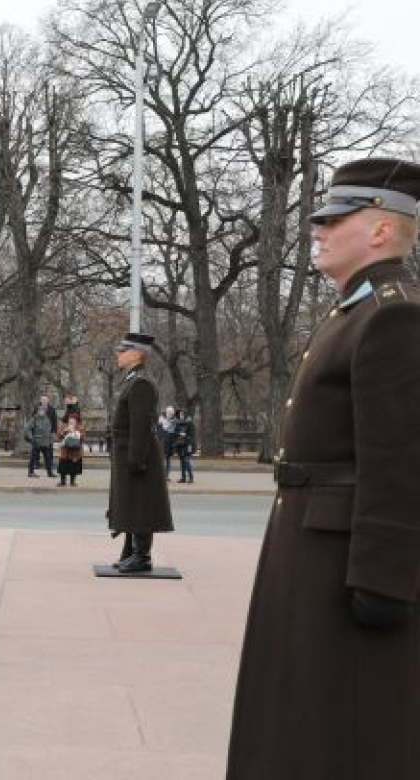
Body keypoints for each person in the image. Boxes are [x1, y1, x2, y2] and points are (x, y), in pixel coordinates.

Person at [227, 158, 420, 778]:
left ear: (381, 231)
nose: (319, 230)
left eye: (336, 219)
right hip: (311, 542)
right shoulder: (354, 311)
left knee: (340, 725)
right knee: (298, 714)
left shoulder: (393, 314)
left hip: (342, 560)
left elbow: (400, 460)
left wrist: (384, 581)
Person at [105, 332, 174, 573]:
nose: (118, 354)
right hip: (129, 453)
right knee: (131, 503)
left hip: (138, 455)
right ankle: (131, 552)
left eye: (123, 350)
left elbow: (141, 425)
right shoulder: (133, 379)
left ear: (137, 353)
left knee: (140, 504)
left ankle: (142, 556)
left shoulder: (141, 382)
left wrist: (136, 460)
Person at [25, 406, 54, 478]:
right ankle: (31, 472)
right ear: (38, 411)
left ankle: (50, 473)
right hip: (36, 441)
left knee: (48, 458)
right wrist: (31, 438)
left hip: (46, 442)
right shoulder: (34, 419)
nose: (41, 412)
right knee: (33, 458)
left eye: (43, 410)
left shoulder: (47, 419)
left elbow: (49, 430)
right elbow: (27, 429)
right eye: (40, 410)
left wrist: (50, 439)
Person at [56, 416, 85, 487]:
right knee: (63, 466)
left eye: (73, 422)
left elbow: (83, 438)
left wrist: (77, 433)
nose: (71, 423)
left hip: (75, 451)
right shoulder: (64, 427)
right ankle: (63, 481)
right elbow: (59, 436)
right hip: (65, 451)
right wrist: (65, 432)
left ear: (76, 423)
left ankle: (73, 481)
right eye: (70, 422)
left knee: (74, 467)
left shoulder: (80, 428)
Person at [172, 410, 195, 483]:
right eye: (180, 414)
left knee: (186, 461)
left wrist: (185, 436)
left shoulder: (189, 423)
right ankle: (183, 478)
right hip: (180, 445)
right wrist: (179, 434)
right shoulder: (178, 424)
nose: (181, 416)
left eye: (182, 414)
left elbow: (192, 435)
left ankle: (191, 477)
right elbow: (175, 433)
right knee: (182, 462)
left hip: (187, 444)